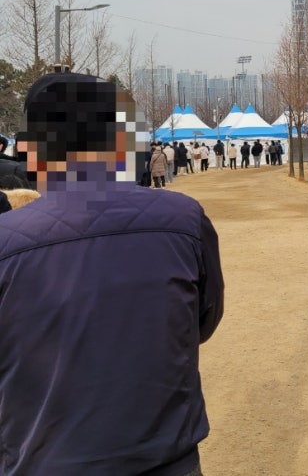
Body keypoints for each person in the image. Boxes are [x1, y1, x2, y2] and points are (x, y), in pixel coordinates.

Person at [0, 71, 223, 476]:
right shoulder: (184, 219)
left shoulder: (7, 241)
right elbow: (202, 322)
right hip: (167, 460)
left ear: (31, 151)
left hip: (41, 461)